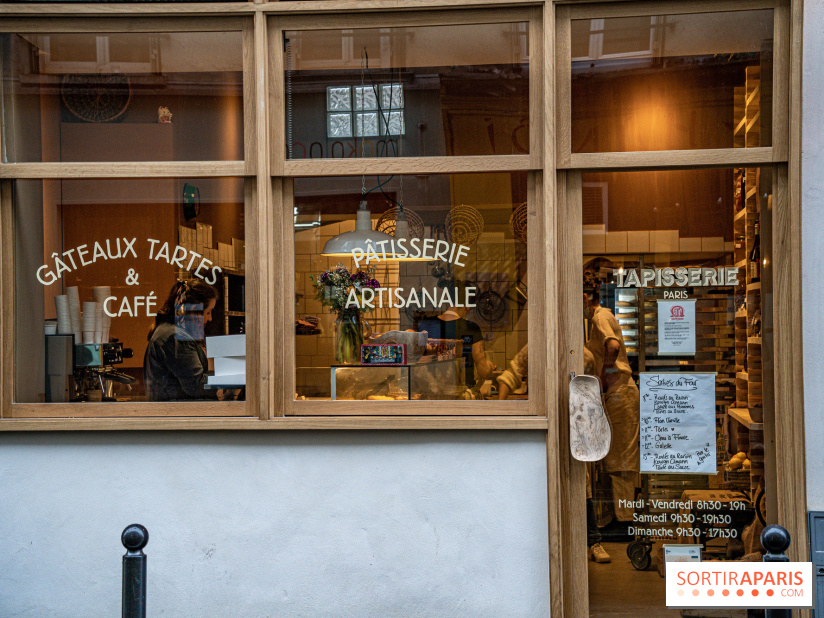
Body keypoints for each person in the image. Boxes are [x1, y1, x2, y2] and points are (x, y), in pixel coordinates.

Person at [583, 274, 640, 525]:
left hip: (621, 393)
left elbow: (613, 346)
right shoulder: (596, 318)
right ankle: (621, 516)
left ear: (585, 297)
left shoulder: (599, 316)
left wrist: (605, 375)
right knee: (617, 458)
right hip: (615, 394)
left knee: (623, 459)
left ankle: (625, 520)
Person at [144, 279, 219, 401]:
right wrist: (226, 377)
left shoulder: (168, 332)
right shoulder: (176, 337)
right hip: (179, 415)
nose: (210, 318)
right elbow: (196, 386)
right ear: (194, 310)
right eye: (208, 312)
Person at [417, 308, 495, 388]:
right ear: (467, 307)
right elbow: (483, 372)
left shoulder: (425, 324)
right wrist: (490, 366)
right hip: (462, 391)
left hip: (430, 390)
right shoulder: (470, 327)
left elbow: (416, 361)